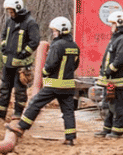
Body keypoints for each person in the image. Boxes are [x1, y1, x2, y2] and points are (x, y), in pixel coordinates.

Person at [6, 16, 80, 145]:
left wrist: (44, 73)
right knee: (68, 111)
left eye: (55, 31)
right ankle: (70, 138)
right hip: (68, 85)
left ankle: (21, 127)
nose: (53, 33)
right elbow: (75, 65)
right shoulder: (74, 46)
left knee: (35, 103)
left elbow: (50, 64)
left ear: (62, 30)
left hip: (54, 84)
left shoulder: (57, 45)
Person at [0, 0, 40, 121]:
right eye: (9, 11)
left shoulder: (30, 23)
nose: (10, 13)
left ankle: (18, 113)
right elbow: (3, 36)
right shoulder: (10, 21)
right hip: (8, 62)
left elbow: (34, 41)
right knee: (4, 87)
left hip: (21, 64)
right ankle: (0, 111)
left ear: (18, 9)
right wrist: (4, 47)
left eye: (12, 11)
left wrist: (25, 53)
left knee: (20, 89)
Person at [94, 9, 123, 139]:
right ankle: (107, 129)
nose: (111, 27)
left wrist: (110, 69)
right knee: (109, 104)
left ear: (119, 24)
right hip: (110, 80)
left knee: (117, 106)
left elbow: (120, 59)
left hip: (116, 80)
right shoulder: (116, 38)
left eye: (113, 24)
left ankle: (117, 131)